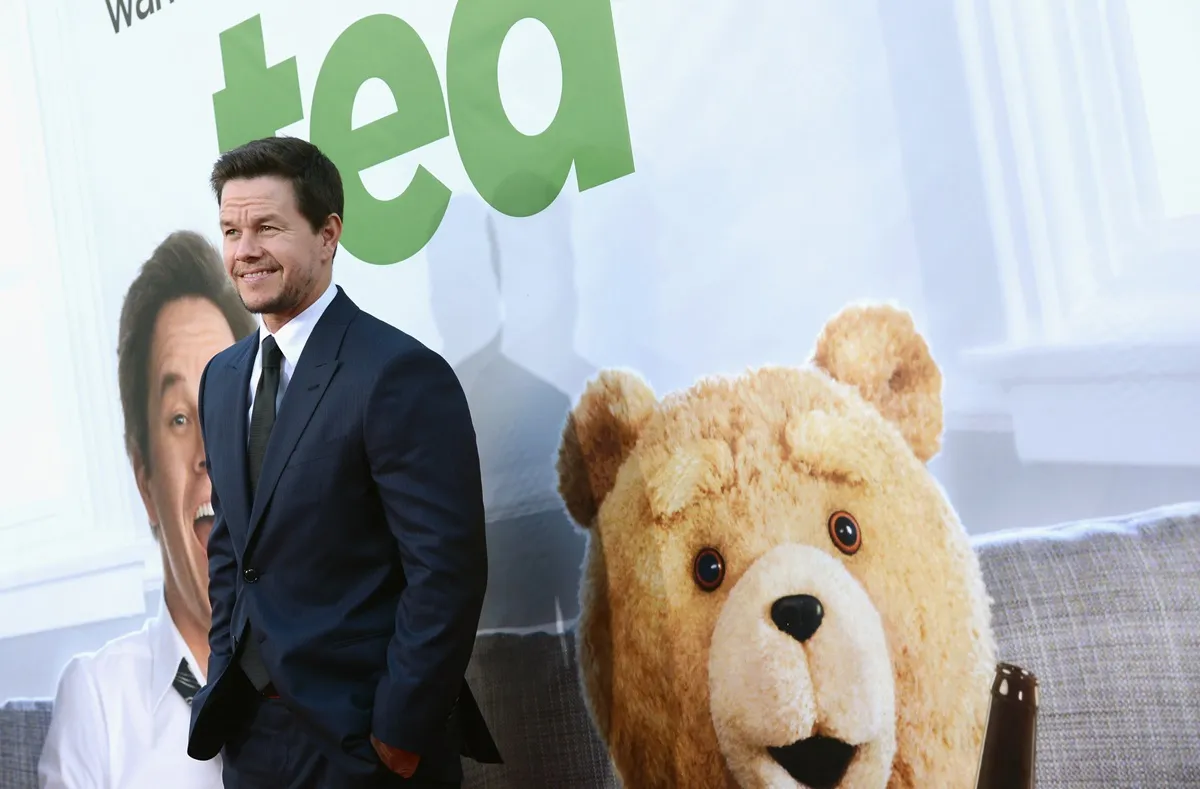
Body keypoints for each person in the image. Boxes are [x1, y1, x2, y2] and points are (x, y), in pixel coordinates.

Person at [185, 135, 500, 789]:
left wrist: (396, 735)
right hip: (253, 740)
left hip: (364, 746)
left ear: (327, 235)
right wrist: (225, 677)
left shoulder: (397, 373)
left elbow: (447, 571)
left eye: (267, 226)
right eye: (231, 229)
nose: (244, 250)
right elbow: (232, 555)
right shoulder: (220, 378)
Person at [38, 231, 256, 789]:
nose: (208, 453)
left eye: (224, 404)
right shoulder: (100, 707)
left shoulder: (344, 666)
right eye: (180, 419)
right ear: (145, 481)